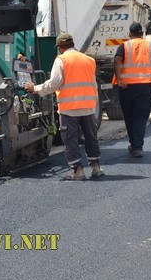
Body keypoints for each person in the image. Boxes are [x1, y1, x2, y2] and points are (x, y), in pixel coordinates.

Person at [24, 33, 104, 180]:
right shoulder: (89, 60)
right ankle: (96, 167)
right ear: (73, 44)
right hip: (88, 106)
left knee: (70, 138)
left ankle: (78, 171)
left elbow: (54, 83)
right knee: (91, 137)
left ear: (60, 48)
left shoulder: (61, 60)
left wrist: (35, 88)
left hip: (69, 107)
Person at [113, 22, 151, 158]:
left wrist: (119, 78)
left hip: (127, 87)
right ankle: (137, 146)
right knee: (141, 117)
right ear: (142, 33)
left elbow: (117, 60)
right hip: (145, 87)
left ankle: (134, 144)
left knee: (129, 116)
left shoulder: (124, 46)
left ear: (130, 34)